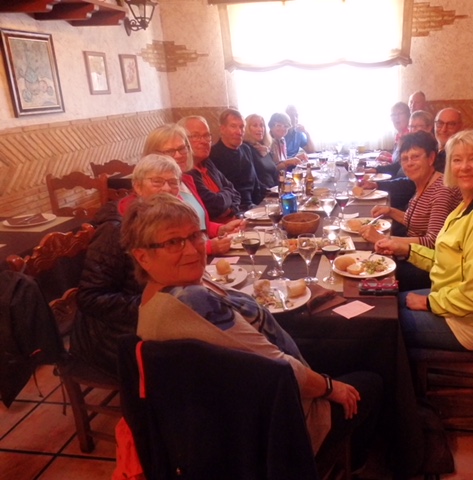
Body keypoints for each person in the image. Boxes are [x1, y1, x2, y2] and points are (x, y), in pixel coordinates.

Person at [121, 193, 382, 468]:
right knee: (372, 374)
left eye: (195, 235)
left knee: (349, 346)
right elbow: (279, 368)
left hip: (237, 415)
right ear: (142, 256)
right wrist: (329, 387)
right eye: (173, 242)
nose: (192, 250)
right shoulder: (192, 302)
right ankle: (350, 461)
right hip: (280, 425)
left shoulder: (159, 293)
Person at [72, 154, 232, 379]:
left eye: (173, 182)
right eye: (157, 182)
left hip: (163, 315)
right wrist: (155, 305)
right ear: (137, 187)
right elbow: (89, 298)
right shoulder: (115, 230)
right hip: (115, 338)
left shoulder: (168, 221)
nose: (166, 188)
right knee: (211, 358)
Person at [376, 130, 473, 352]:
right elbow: (448, 259)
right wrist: (406, 250)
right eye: (457, 160)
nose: (464, 167)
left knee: (383, 324)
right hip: (453, 301)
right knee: (385, 301)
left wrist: (429, 303)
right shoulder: (470, 204)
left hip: (472, 326)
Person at [359, 131, 461, 291]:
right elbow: (418, 220)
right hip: (412, 255)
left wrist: (383, 239)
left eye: (415, 157)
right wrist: (390, 211)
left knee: (368, 275)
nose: (409, 163)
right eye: (405, 159)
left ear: (431, 158)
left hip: (427, 269)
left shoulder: (442, 190)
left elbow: (432, 242)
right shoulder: (423, 182)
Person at [142, 124, 243, 241]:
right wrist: (210, 247)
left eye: (182, 148)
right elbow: (169, 241)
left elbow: (200, 225)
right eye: (170, 151)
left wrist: (221, 229)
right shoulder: (155, 189)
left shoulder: (186, 180)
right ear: (153, 155)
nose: (179, 155)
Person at [177, 115, 241, 223]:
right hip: (215, 230)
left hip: (232, 223)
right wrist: (227, 196)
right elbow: (214, 205)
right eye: (195, 136)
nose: (204, 141)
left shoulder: (207, 163)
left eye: (206, 135)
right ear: (183, 141)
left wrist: (231, 210)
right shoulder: (186, 171)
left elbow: (235, 192)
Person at [210, 109, 268, 211]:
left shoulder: (246, 149)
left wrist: (274, 195)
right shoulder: (213, 155)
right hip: (235, 209)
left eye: (241, 127)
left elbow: (256, 183)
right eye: (233, 126)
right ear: (222, 129)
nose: (239, 132)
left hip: (255, 206)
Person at [244, 114, 294, 188]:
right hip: (264, 192)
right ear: (246, 128)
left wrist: (285, 185)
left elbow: (274, 173)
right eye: (255, 126)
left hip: (275, 188)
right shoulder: (246, 149)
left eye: (262, 126)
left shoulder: (264, 148)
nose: (260, 129)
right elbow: (252, 180)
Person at [374, 102, 411, 175]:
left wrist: (377, 168)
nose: (396, 117)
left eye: (400, 114)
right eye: (393, 115)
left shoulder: (409, 136)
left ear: (408, 116)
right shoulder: (398, 135)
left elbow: (402, 164)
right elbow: (398, 160)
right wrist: (390, 157)